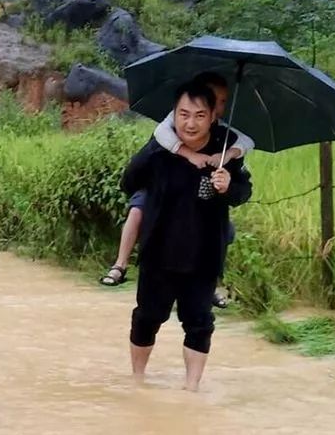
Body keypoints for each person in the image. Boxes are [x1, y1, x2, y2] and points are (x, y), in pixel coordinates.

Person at [121, 78, 252, 391]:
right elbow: (129, 181)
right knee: (147, 317)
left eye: (199, 115)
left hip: (204, 254)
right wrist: (159, 149)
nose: (190, 123)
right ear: (173, 114)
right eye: (183, 114)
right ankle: (138, 381)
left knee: (199, 323)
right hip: (158, 251)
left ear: (213, 117)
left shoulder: (225, 150)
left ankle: (191, 389)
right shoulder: (160, 148)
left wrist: (227, 185)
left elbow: (242, 193)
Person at [100, 72, 255, 290]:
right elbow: (153, 144)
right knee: (138, 209)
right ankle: (121, 263)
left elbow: (247, 147)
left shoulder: (222, 138)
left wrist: (227, 157)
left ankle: (211, 283)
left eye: (222, 102)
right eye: (212, 98)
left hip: (194, 217)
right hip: (157, 194)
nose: (219, 106)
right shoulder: (168, 129)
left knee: (220, 227)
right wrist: (190, 154)